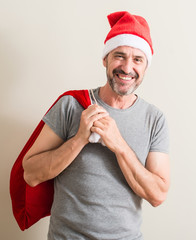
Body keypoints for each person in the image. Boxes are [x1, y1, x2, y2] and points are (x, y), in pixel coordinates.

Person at [22, 11, 170, 240]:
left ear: (145, 67)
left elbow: (158, 195)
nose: (127, 67)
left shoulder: (155, 119)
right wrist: (79, 138)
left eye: (137, 59)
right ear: (105, 59)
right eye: (119, 55)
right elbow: (30, 174)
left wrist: (119, 144)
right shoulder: (71, 105)